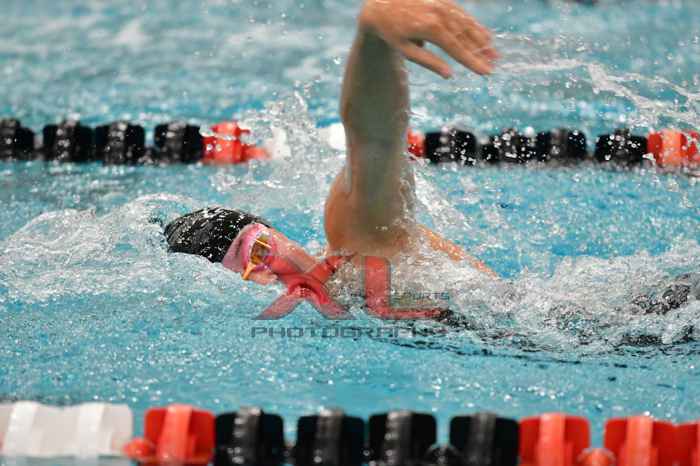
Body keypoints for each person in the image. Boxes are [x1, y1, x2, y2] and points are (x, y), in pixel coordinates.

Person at [166, 0, 499, 285]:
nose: (264, 276)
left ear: (277, 233)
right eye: (242, 276)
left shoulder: (356, 248)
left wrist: (374, 40)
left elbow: (374, 139)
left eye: (259, 250)